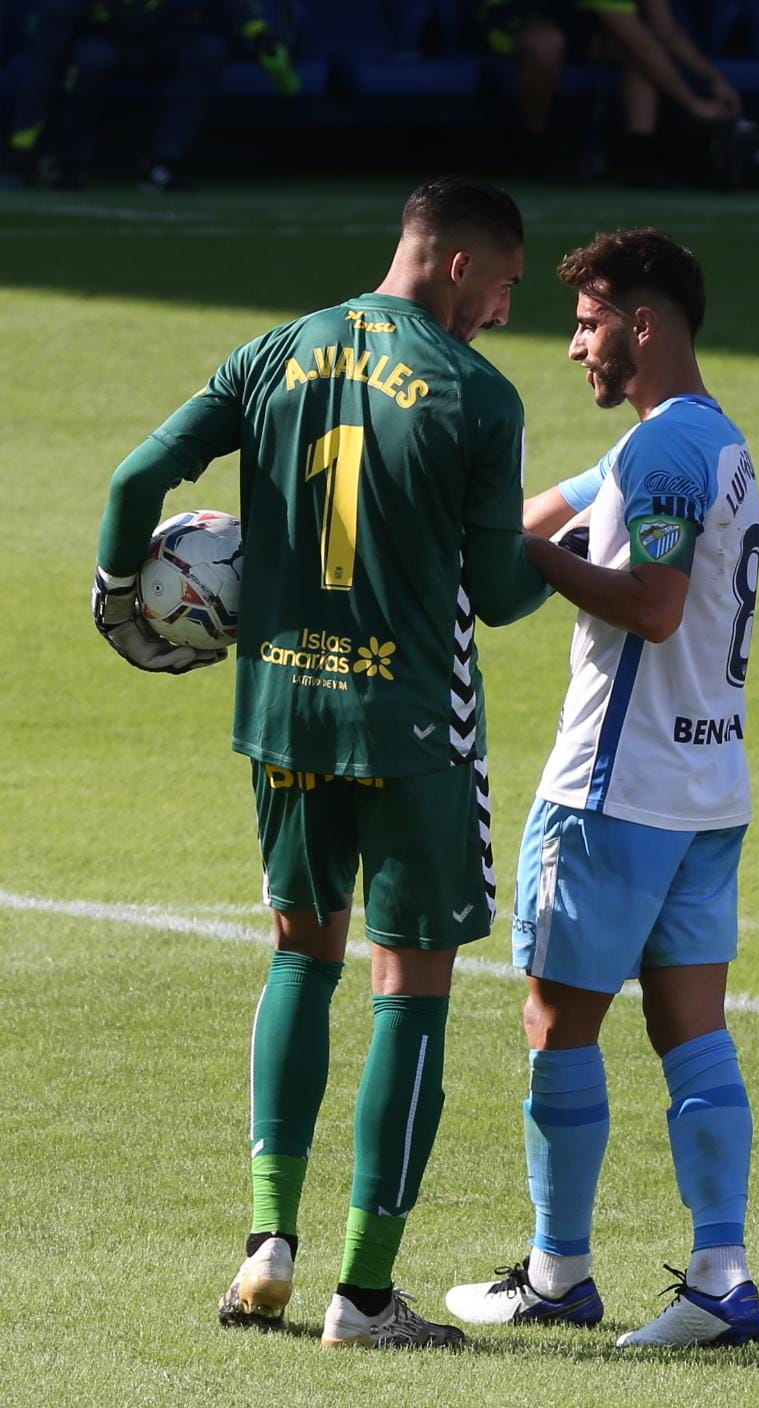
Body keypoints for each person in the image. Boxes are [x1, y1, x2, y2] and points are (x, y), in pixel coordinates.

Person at [90, 176, 551, 1348]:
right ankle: (362, 1292)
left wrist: (114, 589)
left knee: (301, 957)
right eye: (501, 286)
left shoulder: (272, 353)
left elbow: (133, 485)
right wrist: (568, 547)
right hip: (410, 728)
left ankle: (266, 1241)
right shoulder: (475, 396)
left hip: (283, 714)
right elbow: (495, 597)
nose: (501, 311)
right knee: (414, 989)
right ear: (457, 265)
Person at [444, 227, 759, 1349]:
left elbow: (651, 604)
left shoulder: (663, 457)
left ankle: (557, 1271)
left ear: (643, 324)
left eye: (587, 324)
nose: (574, 346)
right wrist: (466, 526)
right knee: (693, 1033)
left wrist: (529, 564)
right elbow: (548, 506)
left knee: (556, 1023)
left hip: (612, 793)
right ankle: (721, 1280)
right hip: (707, 787)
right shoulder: (702, 441)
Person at [1, 0, 299, 192]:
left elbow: (237, 7)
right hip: (106, 42)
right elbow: (45, 63)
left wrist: (261, 35)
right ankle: (68, 162)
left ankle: (163, 163)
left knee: (208, 53)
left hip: (167, 37)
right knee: (90, 61)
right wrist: (21, 147)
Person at [476, 0, 738, 185]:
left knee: (634, 53)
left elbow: (665, 30)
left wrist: (713, 79)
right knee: (547, 44)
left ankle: (640, 154)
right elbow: (639, 40)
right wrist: (692, 103)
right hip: (516, 11)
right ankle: (535, 148)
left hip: (573, 19)